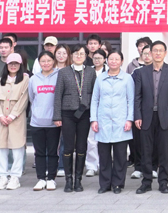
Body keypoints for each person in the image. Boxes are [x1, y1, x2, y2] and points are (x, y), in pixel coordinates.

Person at [133, 41, 168, 194]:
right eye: (155, 51)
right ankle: (146, 182)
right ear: (150, 53)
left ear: (165, 53)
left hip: (165, 117)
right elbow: (137, 96)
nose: (158, 53)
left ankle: (163, 182)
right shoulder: (141, 72)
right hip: (146, 116)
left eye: (161, 51)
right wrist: (137, 115)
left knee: (163, 152)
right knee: (146, 151)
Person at [53, 45, 98, 193]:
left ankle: (78, 179)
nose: (79, 56)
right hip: (67, 113)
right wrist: (57, 116)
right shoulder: (64, 72)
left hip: (85, 113)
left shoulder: (90, 72)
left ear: (86, 56)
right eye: (76, 54)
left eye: (82, 54)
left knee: (81, 146)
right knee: (68, 147)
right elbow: (57, 95)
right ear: (71, 56)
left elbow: (95, 94)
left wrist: (94, 115)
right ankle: (68, 179)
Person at [89, 50, 133, 194]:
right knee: (104, 155)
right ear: (107, 61)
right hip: (103, 121)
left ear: (121, 61)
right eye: (111, 59)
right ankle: (105, 184)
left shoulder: (127, 78)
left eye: (117, 59)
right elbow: (95, 100)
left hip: (121, 121)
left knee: (120, 156)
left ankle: (118, 184)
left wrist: (129, 119)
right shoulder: (100, 78)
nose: (113, 61)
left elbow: (131, 100)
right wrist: (94, 119)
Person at [0, 53, 29, 191]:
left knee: (17, 148)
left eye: (16, 63)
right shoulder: (0, 81)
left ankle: (15, 177)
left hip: (16, 119)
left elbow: (24, 98)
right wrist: (0, 115)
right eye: (10, 63)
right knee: (1, 148)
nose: (13, 66)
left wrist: (12, 116)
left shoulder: (25, 80)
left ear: (20, 65)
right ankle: (2, 176)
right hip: (1, 119)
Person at [28, 51, 60, 191]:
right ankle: (41, 178)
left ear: (53, 61)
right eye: (43, 61)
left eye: (48, 60)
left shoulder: (59, 76)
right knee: (39, 152)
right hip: (37, 122)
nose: (46, 63)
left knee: (53, 152)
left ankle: (51, 178)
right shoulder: (33, 79)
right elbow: (31, 98)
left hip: (54, 122)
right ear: (39, 63)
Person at [85, 48, 108, 177]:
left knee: (106, 139)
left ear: (104, 59)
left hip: (107, 109)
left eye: (100, 58)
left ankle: (104, 165)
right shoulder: (88, 71)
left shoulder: (109, 71)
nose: (97, 60)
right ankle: (91, 166)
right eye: (95, 58)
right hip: (91, 108)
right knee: (92, 139)